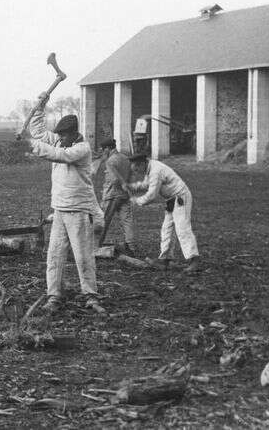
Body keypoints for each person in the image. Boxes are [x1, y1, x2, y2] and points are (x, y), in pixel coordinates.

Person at [19, 99, 104, 313]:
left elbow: (60, 156)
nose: (60, 138)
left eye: (64, 135)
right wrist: (40, 106)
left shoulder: (81, 149)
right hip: (59, 209)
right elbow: (38, 131)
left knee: (82, 255)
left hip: (78, 209)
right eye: (59, 135)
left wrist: (30, 145)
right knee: (54, 254)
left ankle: (91, 296)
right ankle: (54, 296)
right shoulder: (59, 141)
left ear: (74, 133)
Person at [125, 153, 200, 273]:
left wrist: (136, 201)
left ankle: (194, 260)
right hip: (171, 200)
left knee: (182, 229)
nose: (137, 173)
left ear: (142, 164)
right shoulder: (149, 169)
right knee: (167, 229)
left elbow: (151, 195)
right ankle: (165, 259)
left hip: (181, 198)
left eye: (137, 169)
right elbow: (146, 184)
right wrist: (132, 186)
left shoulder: (156, 171)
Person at [96, 138, 135, 253]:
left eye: (103, 150)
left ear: (108, 148)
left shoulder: (110, 161)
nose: (103, 152)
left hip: (112, 195)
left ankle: (96, 245)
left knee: (103, 220)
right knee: (127, 220)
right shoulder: (125, 158)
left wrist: (114, 188)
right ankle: (131, 246)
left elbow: (114, 179)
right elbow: (131, 176)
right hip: (124, 194)